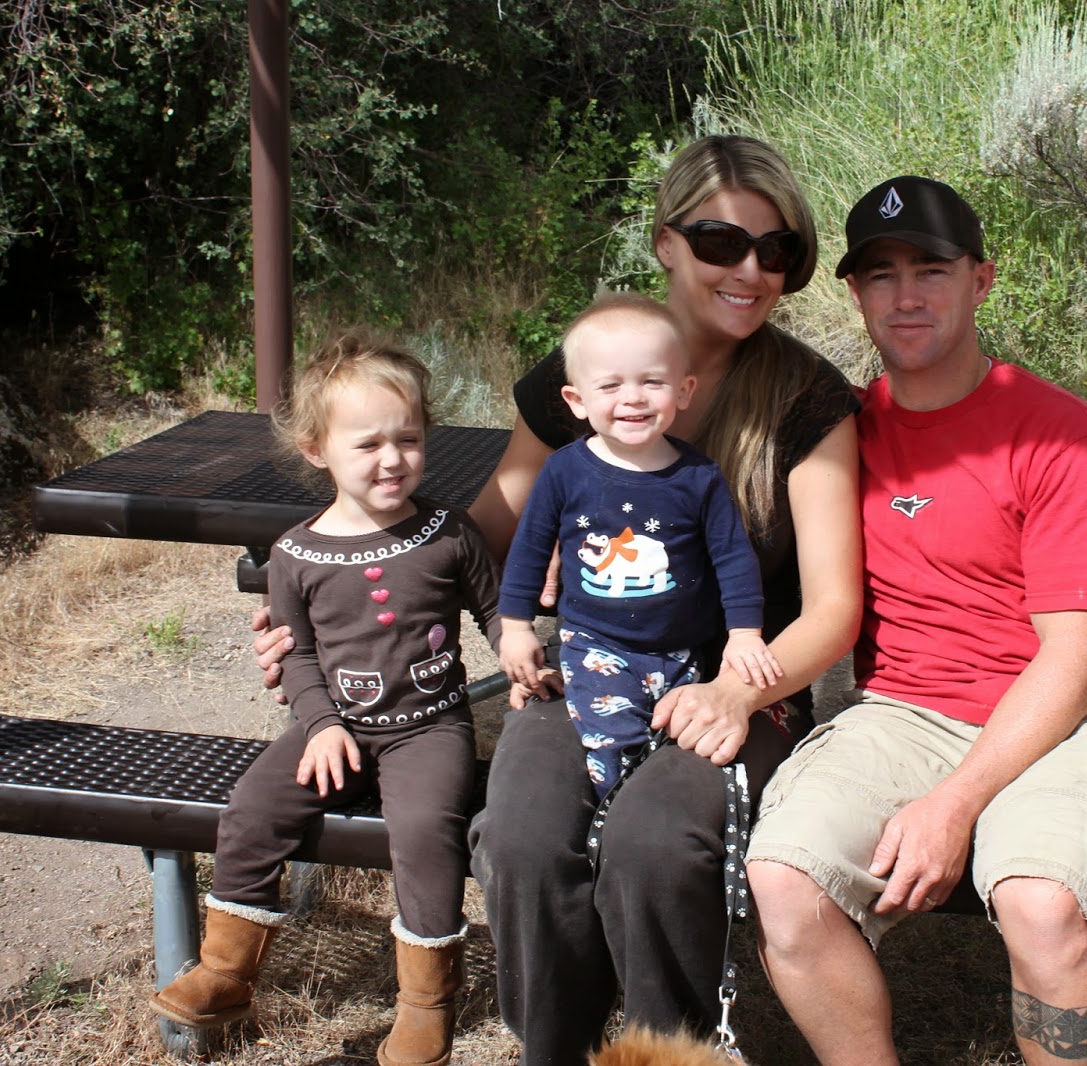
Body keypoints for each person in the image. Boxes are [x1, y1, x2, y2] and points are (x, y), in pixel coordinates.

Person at [244, 135, 860, 1062]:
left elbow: (835, 608)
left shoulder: (805, 399)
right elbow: (480, 537)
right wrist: (324, 617)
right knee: (523, 833)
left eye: (777, 250)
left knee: (656, 841)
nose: (751, 270)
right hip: (586, 671)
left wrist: (739, 693)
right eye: (721, 241)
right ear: (665, 242)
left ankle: (666, 1049)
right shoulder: (583, 372)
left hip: (741, 689)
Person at [746, 176, 1087, 1066]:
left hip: (1065, 718)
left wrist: (954, 804)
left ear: (982, 279)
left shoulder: (1059, 433)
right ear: (855, 294)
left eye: (931, 270)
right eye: (881, 275)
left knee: (1043, 904)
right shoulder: (840, 430)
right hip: (903, 711)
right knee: (782, 877)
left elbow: (1079, 658)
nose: (906, 296)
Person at [155, 333, 502, 1066]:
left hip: (428, 728)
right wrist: (318, 725)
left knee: (424, 831)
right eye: (367, 443)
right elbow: (298, 654)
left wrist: (520, 655)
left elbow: (496, 610)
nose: (392, 458)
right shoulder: (295, 553)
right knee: (253, 807)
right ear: (316, 450)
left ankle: (426, 1006)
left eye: (408, 438)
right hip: (333, 728)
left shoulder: (447, 531)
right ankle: (226, 973)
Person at [496, 292, 782, 799]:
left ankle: (648, 815)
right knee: (614, 743)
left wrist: (744, 634)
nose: (633, 398)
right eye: (610, 385)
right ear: (577, 400)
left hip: (685, 649)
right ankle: (611, 815)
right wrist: (516, 627)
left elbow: (733, 558)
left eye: (652, 381)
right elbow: (530, 550)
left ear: (684, 390)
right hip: (595, 645)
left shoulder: (699, 476)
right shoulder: (564, 470)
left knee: (679, 748)